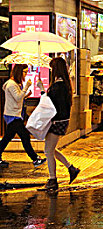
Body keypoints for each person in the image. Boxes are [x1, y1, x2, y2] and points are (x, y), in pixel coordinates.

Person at [37, 57, 80, 191]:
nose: (50, 71)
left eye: (51, 68)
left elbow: (51, 105)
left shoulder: (58, 86)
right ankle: (71, 169)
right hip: (60, 121)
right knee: (51, 149)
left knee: (48, 151)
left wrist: (43, 90)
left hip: (57, 122)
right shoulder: (63, 84)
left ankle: (52, 180)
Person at [0, 64, 46, 168]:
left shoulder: (15, 84)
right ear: (19, 72)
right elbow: (17, 97)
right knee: (25, 136)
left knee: (7, 138)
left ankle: (35, 159)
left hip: (15, 114)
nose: (26, 74)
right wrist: (26, 87)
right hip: (13, 115)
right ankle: (35, 159)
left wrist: (26, 94)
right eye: (24, 72)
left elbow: (18, 97)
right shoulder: (11, 84)